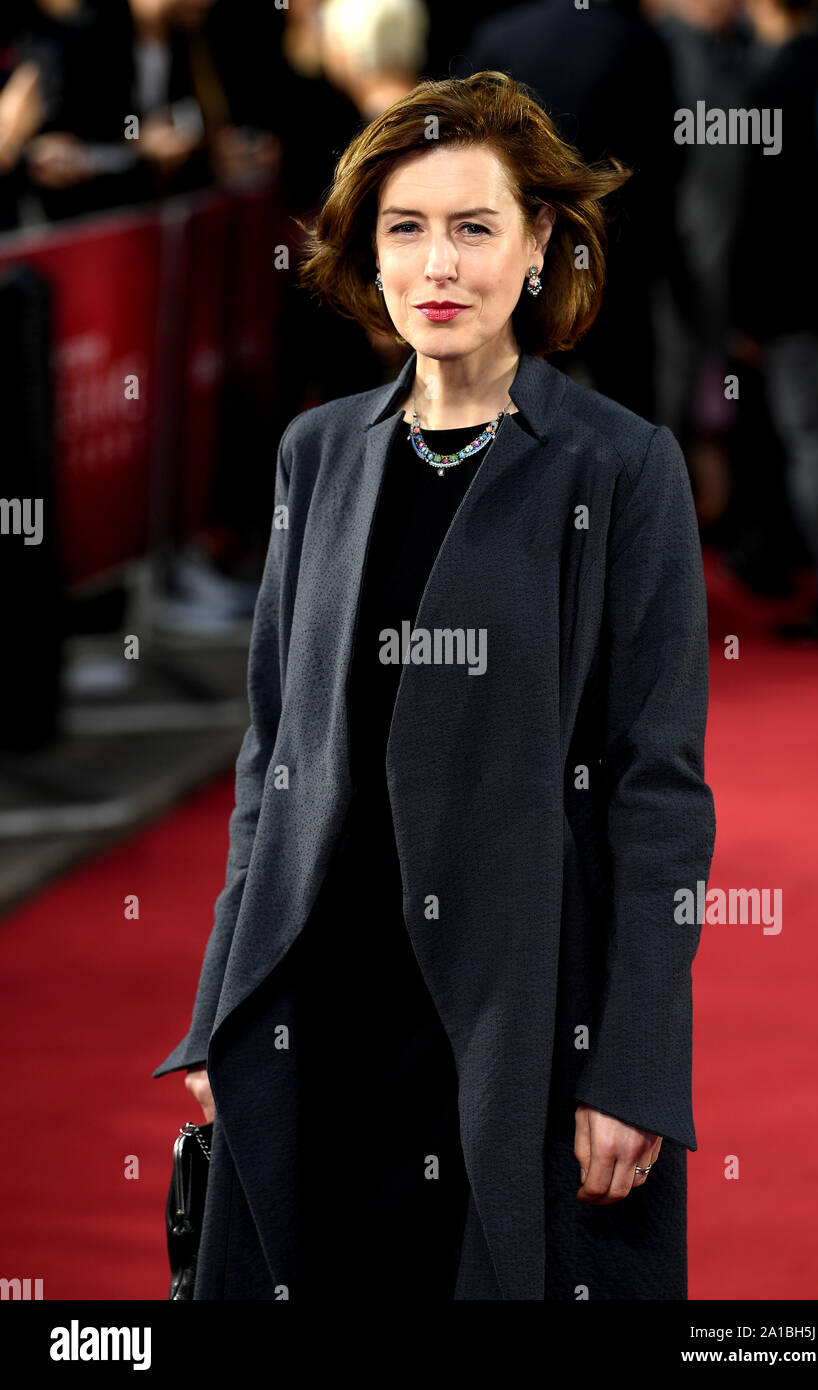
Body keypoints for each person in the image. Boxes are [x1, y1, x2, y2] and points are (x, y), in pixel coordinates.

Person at [153, 69, 716, 1301]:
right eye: (405, 229)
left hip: (513, 1012)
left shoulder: (619, 468)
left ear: (538, 249)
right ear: (367, 255)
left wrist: (629, 1066)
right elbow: (273, 757)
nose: (437, 265)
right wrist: (222, 1004)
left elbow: (656, 795)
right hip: (321, 1006)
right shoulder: (319, 454)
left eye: (474, 228)